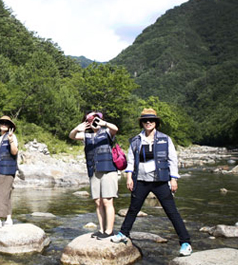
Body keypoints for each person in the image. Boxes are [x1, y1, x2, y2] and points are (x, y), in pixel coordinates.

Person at [111, 108, 192, 257]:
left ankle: (185, 243)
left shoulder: (165, 139)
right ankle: (123, 233)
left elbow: (173, 160)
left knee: (171, 212)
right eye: (145, 120)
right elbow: (130, 161)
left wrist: (173, 179)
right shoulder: (135, 140)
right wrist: (129, 177)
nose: (148, 122)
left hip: (160, 181)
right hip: (140, 180)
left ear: (156, 123)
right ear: (141, 123)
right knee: (133, 209)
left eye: (151, 120)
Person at [69, 111, 119, 239]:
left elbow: (115, 129)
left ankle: (109, 231)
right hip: (94, 171)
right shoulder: (86, 135)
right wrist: (76, 129)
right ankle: (101, 229)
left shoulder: (107, 132)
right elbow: (72, 136)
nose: (94, 122)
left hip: (108, 170)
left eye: (96, 119)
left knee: (107, 201)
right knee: (98, 202)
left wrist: (105, 124)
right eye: (90, 120)